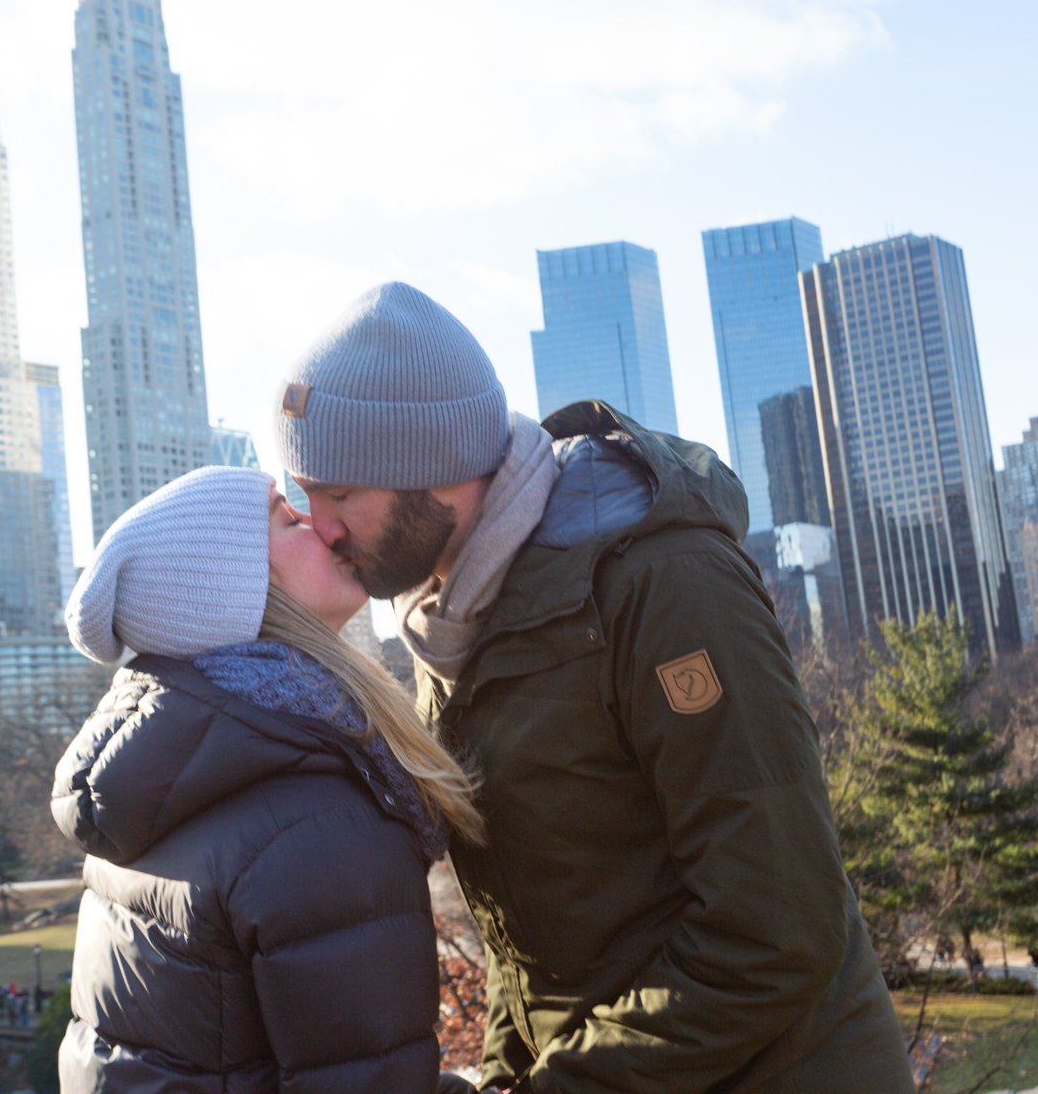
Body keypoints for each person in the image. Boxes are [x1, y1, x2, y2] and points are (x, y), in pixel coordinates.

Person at [272, 281, 915, 1093]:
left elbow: (776, 928)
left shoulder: (661, 582)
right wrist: (509, 1074)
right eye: (303, 493)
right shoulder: (451, 624)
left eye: (338, 493)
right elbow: (528, 946)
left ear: (431, 467)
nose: (318, 524)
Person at [52, 465, 486, 1093]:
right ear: (241, 590)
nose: (323, 523)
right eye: (289, 518)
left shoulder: (164, 780)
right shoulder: (313, 819)